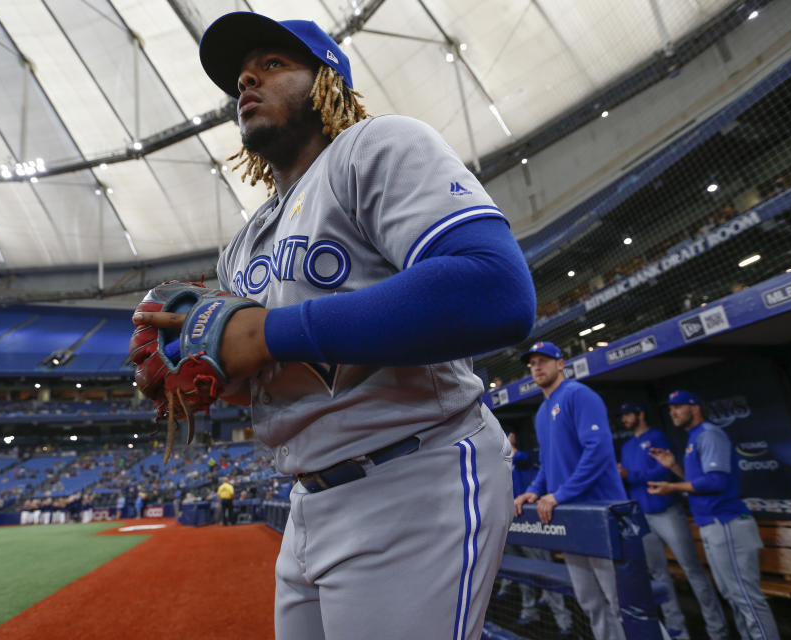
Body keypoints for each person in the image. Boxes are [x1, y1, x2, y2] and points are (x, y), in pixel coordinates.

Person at [132, 11, 535, 639]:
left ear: (328, 83)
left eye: (271, 64)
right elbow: (279, 370)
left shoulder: (377, 145)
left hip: (412, 476)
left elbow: (495, 288)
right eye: (240, 76)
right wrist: (213, 372)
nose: (246, 82)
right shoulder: (241, 247)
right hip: (306, 499)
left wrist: (265, 334)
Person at [513, 342, 628, 640]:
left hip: (601, 513)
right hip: (571, 519)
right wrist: (534, 490)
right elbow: (549, 464)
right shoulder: (541, 412)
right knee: (591, 602)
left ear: (561, 364)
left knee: (624, 605)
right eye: (532, 363)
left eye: (544, 361)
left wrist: (559, 494)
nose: (537, 367)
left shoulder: (578, 394)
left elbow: (599, 450)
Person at [648, 390, 780, 640]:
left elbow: (715, 481)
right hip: (714, 523)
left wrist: (671, 487)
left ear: (694, 408)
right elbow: (698, 482)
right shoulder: (694, 437)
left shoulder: (709, 434)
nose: (672, 412)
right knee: (732, 595)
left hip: (726, 521)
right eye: (670, 408)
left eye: (678, 407)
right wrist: (673, 467)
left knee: (745, 596)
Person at [618, 402, 728, 640]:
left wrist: (631, 476)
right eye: (623, 415)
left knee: (692, 570)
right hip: (643, 515)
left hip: (667, 511)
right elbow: (628, 479)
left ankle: (716, 629)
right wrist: (625, 477)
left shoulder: (656, 436)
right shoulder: (626, 447)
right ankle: (677, 628)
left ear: (640, 413)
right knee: (658, 573)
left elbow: (663, 472)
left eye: (629, 414)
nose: (625, 419)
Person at [497, 430, 573, 636]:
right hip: (508, 519)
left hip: (529, 519)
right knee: (521, 571)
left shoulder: (522, 456)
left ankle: (563, 620)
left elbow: (523, 459)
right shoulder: (494, 461)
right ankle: (529, 611)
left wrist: (507, 442)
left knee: (545, 571)